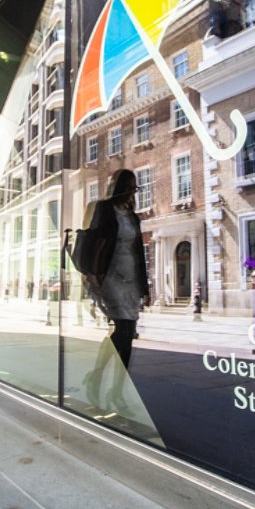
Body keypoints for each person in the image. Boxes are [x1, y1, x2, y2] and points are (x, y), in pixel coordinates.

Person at [83, 169, 149, 412]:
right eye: (129, 185)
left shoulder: (133, 216)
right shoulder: (104, 208)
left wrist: (144, 286)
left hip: (131, 279)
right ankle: (102, 381)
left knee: (127, 333)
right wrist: (93, 276)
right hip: (110, 276)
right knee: (122, 329)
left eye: (135, 187)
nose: (133, 190)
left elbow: (138, 254)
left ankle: (113, 386)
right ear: (119, 185)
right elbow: (95, 243)